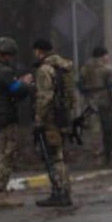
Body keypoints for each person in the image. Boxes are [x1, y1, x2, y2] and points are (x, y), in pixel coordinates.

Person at [0, 37, 34, 207]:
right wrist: (26, 84)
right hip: (4, 119)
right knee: (4, 155)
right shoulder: (5, 72)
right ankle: (2, 194)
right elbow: (16, 90)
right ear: (7, 55)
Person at [31, 39, 75, 207]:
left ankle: (60, 192)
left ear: (38, 51)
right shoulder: (64, 67)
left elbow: (45, 97)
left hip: (51, 119)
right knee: (60, 155)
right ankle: (64, 191)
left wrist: (39, 118)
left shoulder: (44, 70)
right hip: (64, 116)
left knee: (53, 156)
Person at [79, 46, 112, 166]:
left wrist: (86, 95)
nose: (108, 57)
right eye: (106, 55)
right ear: (102, 56)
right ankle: (109, 157)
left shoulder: (85, 69)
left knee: (95, 131)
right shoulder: (107, 69)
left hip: (91, 103)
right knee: (108, 130)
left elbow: (79, 85)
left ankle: (97, 157)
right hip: (105, 102)